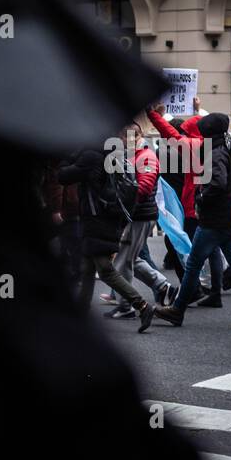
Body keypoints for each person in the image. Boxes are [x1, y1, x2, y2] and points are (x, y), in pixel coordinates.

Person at [154, 113, 231, 331]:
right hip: (230, 218)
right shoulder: (230, 151)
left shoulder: (214, 153)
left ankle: (177, 310)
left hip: (213, 220)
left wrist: (202, 198)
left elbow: (218, 182)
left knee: (193, 264)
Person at [57, 140, 157, 332]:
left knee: (105, 270)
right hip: (109, 217)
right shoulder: (111, 151)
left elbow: (63, 176)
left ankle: (143, 306)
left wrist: (68, 154)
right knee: (88, 267)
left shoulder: (90, 156)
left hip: (96, 219)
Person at [147, 105, 223, 306]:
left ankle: (189, 294)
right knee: (214, 249)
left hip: (193, 207)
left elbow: (169, 133)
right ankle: (214, 291)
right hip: (211, 205)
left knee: (185, 248)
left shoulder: (192, 147)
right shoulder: (218, 147)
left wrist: (153, 114)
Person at [106, 124, 177, 317]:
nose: (121, 141)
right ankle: (163, 287)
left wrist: (125, 201)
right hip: (138, 215)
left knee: (122, 260)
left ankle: (125, 306)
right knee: (131, 258)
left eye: (123, 137)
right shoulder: (136, 155)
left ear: (134, 136)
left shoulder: (145, 156)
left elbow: (143, 187)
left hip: (139, 216)